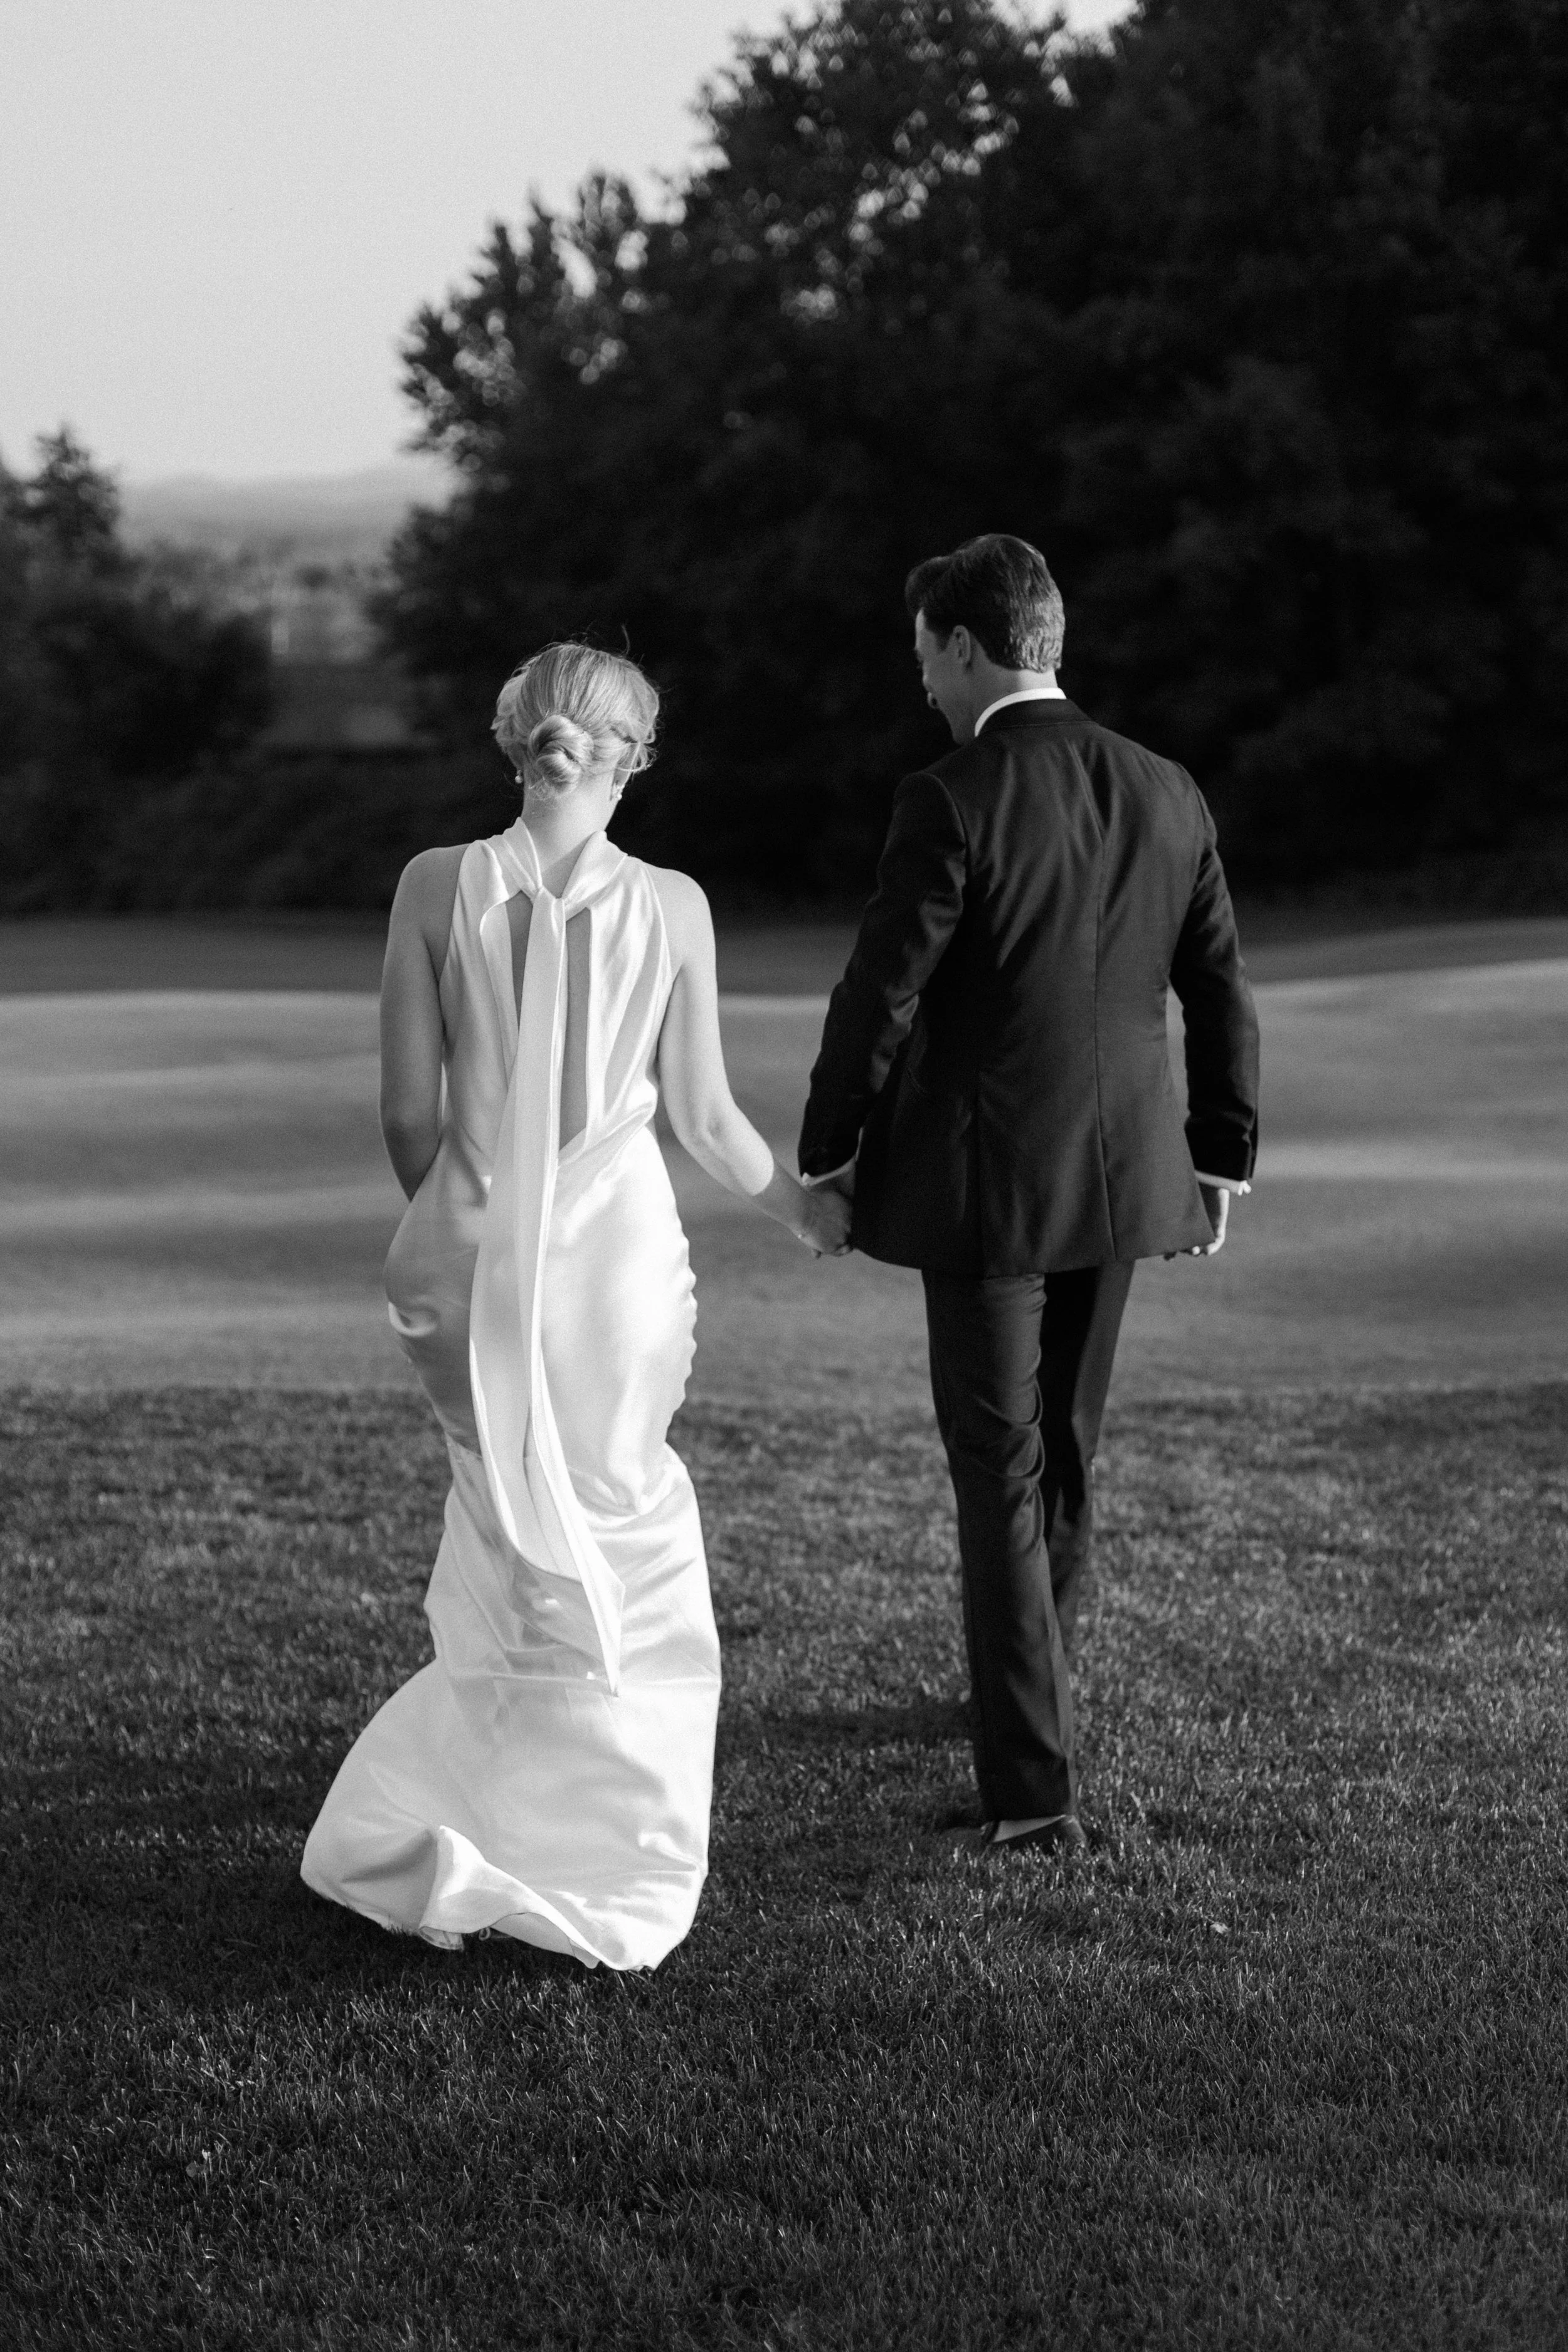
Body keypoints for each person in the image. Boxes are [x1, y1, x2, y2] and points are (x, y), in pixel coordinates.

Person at [302, 642, 849, 1968]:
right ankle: (605, 1837)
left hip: (463, 1252)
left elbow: (403, 1113)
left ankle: (474, 1809)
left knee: (503, 1528)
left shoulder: (434, 885)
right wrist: (813, 1211)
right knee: (620, 1519)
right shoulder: (674, 904)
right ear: (631, 757)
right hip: (611, 1272)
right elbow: (710, 1123)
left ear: (514, 740)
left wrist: (464, 1221)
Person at [800, 535, 1259, 1855]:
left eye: (922, 659)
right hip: (1121, 1181)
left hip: (987, 1191)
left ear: (961, 643)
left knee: (1000, 1468)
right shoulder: (1165, 785)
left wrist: (826, 1148)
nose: (920, 687)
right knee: (1059, 1450)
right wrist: (1215, 1154)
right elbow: (1218, 983)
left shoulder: (949, 794)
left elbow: (878, 994)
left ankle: (1030, 1786)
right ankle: (1033, 1695)